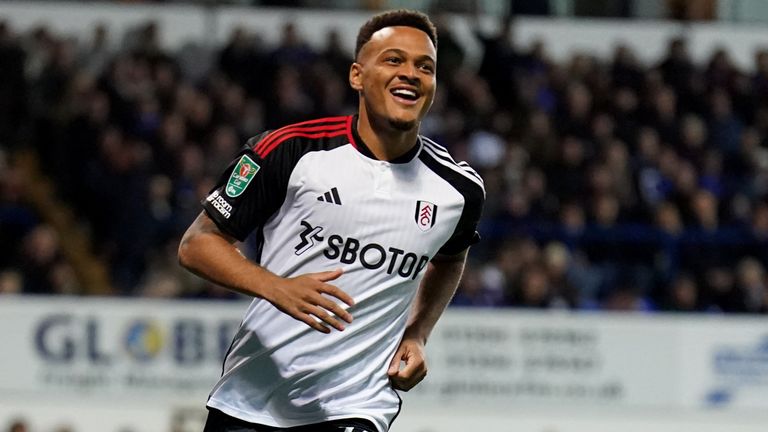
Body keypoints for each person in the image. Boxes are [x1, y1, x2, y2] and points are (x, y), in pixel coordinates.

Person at [178, 9, 485, 432]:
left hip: (357, 404)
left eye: (425, 67)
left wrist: (418, 332)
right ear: (357, 76)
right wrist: (276, 288)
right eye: (394, 60)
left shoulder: (458, 189)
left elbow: (451, 259)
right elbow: (197, 244)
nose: (411, 73)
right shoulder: (291, 151)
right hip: (251, 398)